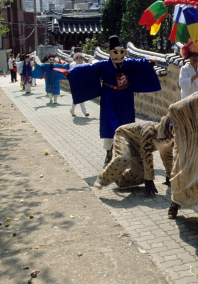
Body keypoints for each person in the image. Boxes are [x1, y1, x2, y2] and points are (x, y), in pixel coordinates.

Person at [67, 35, 161, 166]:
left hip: (126, 97)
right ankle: (109, 152)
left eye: (121, 51)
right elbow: (87, 70)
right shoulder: (104, 65)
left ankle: (129, 152)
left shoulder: (128, 63)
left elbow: (140, 63)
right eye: (115, 52)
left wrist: (149, 61)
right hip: (110, 98)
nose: (119, 54)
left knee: (127, 125)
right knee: (111, 126)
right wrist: (71, 74)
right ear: (111, 53)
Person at [93, 115, 174, 197]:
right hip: (124, 136)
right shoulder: (150, 131)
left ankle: (119, 179)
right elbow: (146, 156)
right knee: (123, 158)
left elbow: (167, 156)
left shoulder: (169, 137)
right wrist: (149, 180)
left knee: (142, 175)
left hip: (138, 147)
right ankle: (102, 179)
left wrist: (169, 176)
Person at [69, 51, 89, 117]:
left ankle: (72, 109)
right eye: (77, 57)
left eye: (81, 57)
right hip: (75, 83)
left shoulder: (85, 64)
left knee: (77, 98)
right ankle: (85, 112)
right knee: (80, 98)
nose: (79, 59)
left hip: (83, 83)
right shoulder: (73, 65)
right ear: (74, 58)